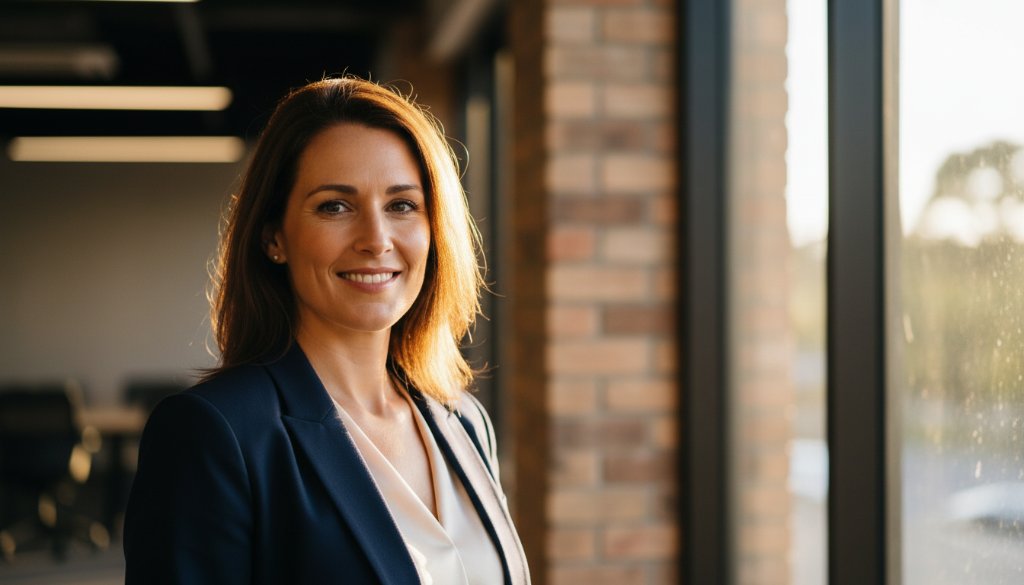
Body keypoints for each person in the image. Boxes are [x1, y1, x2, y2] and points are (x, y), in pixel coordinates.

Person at [123, 76, 529, 585]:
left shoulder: (464, 421)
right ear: (275, 237)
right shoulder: (216, 434)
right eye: (335, 206)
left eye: (402, 205)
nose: (376, 240)